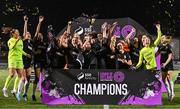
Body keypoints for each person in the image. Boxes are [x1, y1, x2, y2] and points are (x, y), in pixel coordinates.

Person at [2, 29, 30, 99]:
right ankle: (5, 88)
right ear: (13, 34)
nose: (18, 33)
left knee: (20, 76)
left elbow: (20, 49)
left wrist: (26, 54)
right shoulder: (10, 40)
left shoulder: (20, 40)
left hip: (19, 59)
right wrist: (17, 40)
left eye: (18, 32)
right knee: (11, 75)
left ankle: (14, 90)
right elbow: (11, 47)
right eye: (17, 32)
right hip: (12, 59)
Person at [32, 16, 47, 101]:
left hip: (43, 62)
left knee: (43, 78)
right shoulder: (35, 42)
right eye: (39, 35)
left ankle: (42, 93)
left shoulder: (44, 44)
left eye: (41, 35)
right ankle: (33, 94)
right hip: (37, 62)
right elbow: (37, 31)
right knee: (37, 78)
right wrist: (40, 22)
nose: (40, 35)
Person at [158, 35, 175, 101]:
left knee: (169, 77)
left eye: (163, 38)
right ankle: (169, 92)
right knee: (163, 79)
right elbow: (156, 54)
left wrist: (165, 63)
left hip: (169, 64)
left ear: (165, 39)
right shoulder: (160, 46)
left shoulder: (169, 46)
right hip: (162, 64)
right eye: (161, 38)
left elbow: (170, 57)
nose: (161, 39)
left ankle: (172, 93)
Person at [22, 16, 33, 101]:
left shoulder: (31, 44)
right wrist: (25, 21)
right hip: (22, 62)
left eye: (29, 34)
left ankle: (25, 93)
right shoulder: (24, 41)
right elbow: (25, 31)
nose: (28, 34)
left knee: (28, 78)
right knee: (24, 79)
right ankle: (18, 91)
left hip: (29, 63)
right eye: (27, 34)